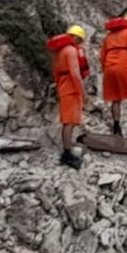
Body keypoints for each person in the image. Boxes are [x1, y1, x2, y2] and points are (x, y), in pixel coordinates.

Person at [48, 25, 89, 169]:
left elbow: (56, 73)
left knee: (68, 120)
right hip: (71, 88)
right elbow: (75, 73)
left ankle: (68, 148)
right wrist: (83, 92)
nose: (80, 43)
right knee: (69, 122)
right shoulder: (71, 50)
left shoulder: (59, 52)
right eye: (80, 40)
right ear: (75, 37)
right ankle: (67, 153)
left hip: (63, 86)